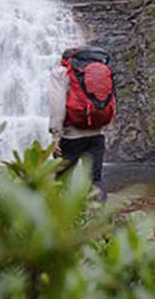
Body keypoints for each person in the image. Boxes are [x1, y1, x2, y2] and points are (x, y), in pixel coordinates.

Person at [49, 46, 115, 199]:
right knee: (95, 179)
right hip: (97, 135)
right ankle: (101, 218)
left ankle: (60, 219)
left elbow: (57, 104)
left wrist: (55, 136)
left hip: (72, 136)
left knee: (62, 179)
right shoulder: (99, 72)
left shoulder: (61, 72)